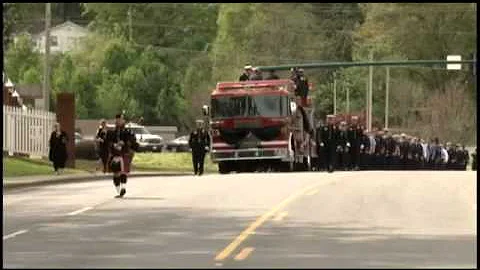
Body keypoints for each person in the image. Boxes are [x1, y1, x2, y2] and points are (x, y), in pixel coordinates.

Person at [105, 113, 138, 198]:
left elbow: (133, 141)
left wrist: (125, 143)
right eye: (118, 119)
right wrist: (113, 145)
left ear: (124, 121)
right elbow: (107, 142)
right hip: (115, 154)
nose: (120, 121)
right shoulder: (111, 132)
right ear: (116, 120)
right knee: (116, 173)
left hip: (124, 153)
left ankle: (123, 188)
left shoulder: (128, 132)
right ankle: (119, 190)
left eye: (122, 119)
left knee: (123, 172)